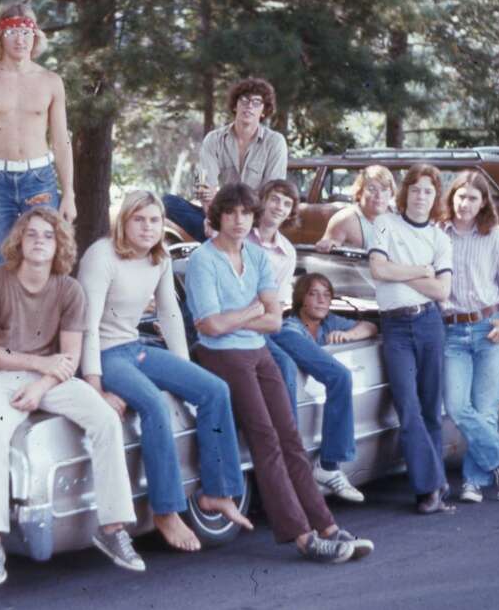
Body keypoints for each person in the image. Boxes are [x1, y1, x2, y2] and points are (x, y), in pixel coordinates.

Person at [185, 182, 374, 563]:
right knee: (266, 439)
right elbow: (209, 326)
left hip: (257, 352)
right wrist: (252, 311)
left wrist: (242, 317)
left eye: (246, 213)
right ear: (218, 216)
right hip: (222, 356)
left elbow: (274, 321)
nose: (239, 221)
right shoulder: (203, 261)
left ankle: (328, 525)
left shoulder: (255, 257)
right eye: (231, 213)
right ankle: (302, 536)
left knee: (291, 436)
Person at [0, 207, 143, 587]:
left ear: (59, 243)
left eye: (48, 235)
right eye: (31, 234)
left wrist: (40, 384)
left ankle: (112, 528)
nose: (39, 241)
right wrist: (35, 365)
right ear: (19, 240)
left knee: (105, 418)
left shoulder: (69, 288)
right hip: (3, 372)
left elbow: (71, 357)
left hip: (53, 377)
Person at [78, 190, 252, 552]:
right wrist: (93, 384)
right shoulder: (101, 256)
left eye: (154, 220)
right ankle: (166, 510)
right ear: (123, 222)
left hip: (135, 348)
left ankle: (217, 491)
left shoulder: (158, 258)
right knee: (155, 406)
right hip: (106, 354)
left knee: (214, 390)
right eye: (138, 219)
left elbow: (170, 314)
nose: (147, 227)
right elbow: (87, 325)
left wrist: (185, 373)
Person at [0, 2, 76, 267]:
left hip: (40, 180)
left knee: (46, 258)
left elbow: (61, 140)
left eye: (26, 32)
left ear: (35, 36)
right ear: (0, 36)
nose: (20, 39)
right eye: (12, 32)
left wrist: (69, 192)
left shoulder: (51, 81)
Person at [368, 163, 454, 514]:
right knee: (409, 406)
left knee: (432, 407)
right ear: (405, 193)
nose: (421, 196)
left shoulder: (440, 238)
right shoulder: (385, 224)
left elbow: (442, 290)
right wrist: (420, 270)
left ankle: (432, 486)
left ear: (436, 198)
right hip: (396, 327)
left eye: (428, 191)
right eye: (415, 189)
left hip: (430, 324)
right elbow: (378, 269)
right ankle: (430, 486)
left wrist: (400, 274)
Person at [439, 171, 499, 504]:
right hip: (451, 330)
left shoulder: (495, 235)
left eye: (473, 198)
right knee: (458, 407)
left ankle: (474, 481)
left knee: (486, 408)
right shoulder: (438, 234)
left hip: (488, 328)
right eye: (461, 196)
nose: (465, 203)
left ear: (483, 202)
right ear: (452, 197)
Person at [272, 273, 378, 502]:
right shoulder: (290, 327)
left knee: (340, 377)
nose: (321, 300)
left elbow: (370, 326)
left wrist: (348, 334)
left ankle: (328, 465)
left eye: (327, 295)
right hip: (288, 343)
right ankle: (329, 466)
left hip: (312, 399)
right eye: (313, 294)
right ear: (301, 299)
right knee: (340, 376)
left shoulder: (329, 321)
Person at [163, 78, 288, 243]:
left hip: (254, 218)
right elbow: (204, 185)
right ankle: (223, 239)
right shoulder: (213, 139)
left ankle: (224, 242)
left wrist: (241, 216)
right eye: (244, 100)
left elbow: (271, 192)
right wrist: (212, 219)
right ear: (235, 106)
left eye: (256, 102)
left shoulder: (275, 141)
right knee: (167, 202)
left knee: (270, 208)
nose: (249, 106)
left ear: (264, 111)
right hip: (221, 214)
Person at [315, 165, 396, 252]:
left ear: (391, 192)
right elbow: (325, 254)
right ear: (359, 192)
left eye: (384, 189)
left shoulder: (398, 216)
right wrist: (331, 244)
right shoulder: (345, 219)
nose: (379, 196)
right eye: (372, 189)